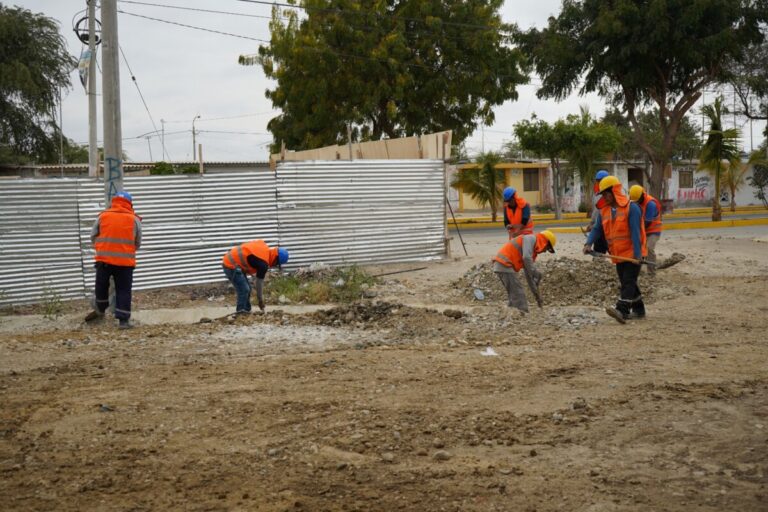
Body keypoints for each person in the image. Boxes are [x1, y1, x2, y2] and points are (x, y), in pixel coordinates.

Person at [583, 176, 647, 324]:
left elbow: (636, 233)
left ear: (615, 191)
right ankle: (639, 309)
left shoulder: (632, 208)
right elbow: (597, 228)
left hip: (632, 253)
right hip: (618, 255)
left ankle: (622, 310)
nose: (604, 197)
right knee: (628, 281)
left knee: (628, 281)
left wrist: (638, 255)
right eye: (603, 195)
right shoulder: (604, 210)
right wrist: (588, 243)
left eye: (606, 193)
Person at [86, 190, 142, 329]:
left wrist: (102, 248)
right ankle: (123, 321)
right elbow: (138, 242)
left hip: (104, 261)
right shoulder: (134, 219)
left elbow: (93, 236)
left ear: (114, 202)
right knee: (123, 290)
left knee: (101, 286)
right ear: (129, 203)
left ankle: (100, 309)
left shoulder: (103, 216)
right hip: (125, 264)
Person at [492, 230, 557, 313]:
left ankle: (511, 315)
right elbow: (526, 258)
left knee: (514, 294)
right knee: (519, 295)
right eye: (547, 248)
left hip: (503, 266)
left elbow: (529, 276)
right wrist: (535, 272)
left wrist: (536, 295)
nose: (544, 251)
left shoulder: (531, 252)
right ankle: (522, 316)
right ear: (544, 242)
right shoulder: (530, 239)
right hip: (504, 265)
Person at [221, 240, 289, 314]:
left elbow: (251, 257)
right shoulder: (263, 265)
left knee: (248, 288)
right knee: (244, 289)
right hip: (230, 264)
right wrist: (260, 300)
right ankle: (241, 312)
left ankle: (246, 310)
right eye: (277, 264)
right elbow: (259, 284)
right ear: (275, 259)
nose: (274, 265)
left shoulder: (264, 248)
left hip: (233, 261)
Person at [629, 185, 663, 274]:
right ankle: (637, 270)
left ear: (642, 195)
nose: (636, 202)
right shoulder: (635, 201)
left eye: (637, 200)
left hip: (653, 230)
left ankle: (651, 272)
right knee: (638, 249)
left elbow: (647, 222)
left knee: (649, 248)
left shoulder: (650, 204)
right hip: (643, 229)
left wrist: (636, 230)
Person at [584, 169, 610, 254]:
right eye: (598, 181)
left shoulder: (610, 196)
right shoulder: (598, 194)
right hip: (599, 227)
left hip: (608, 229)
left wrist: (594, 225)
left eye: (600, 181)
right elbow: (596, 211)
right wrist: (592, 223)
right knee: (599, 250)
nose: (598, 183)